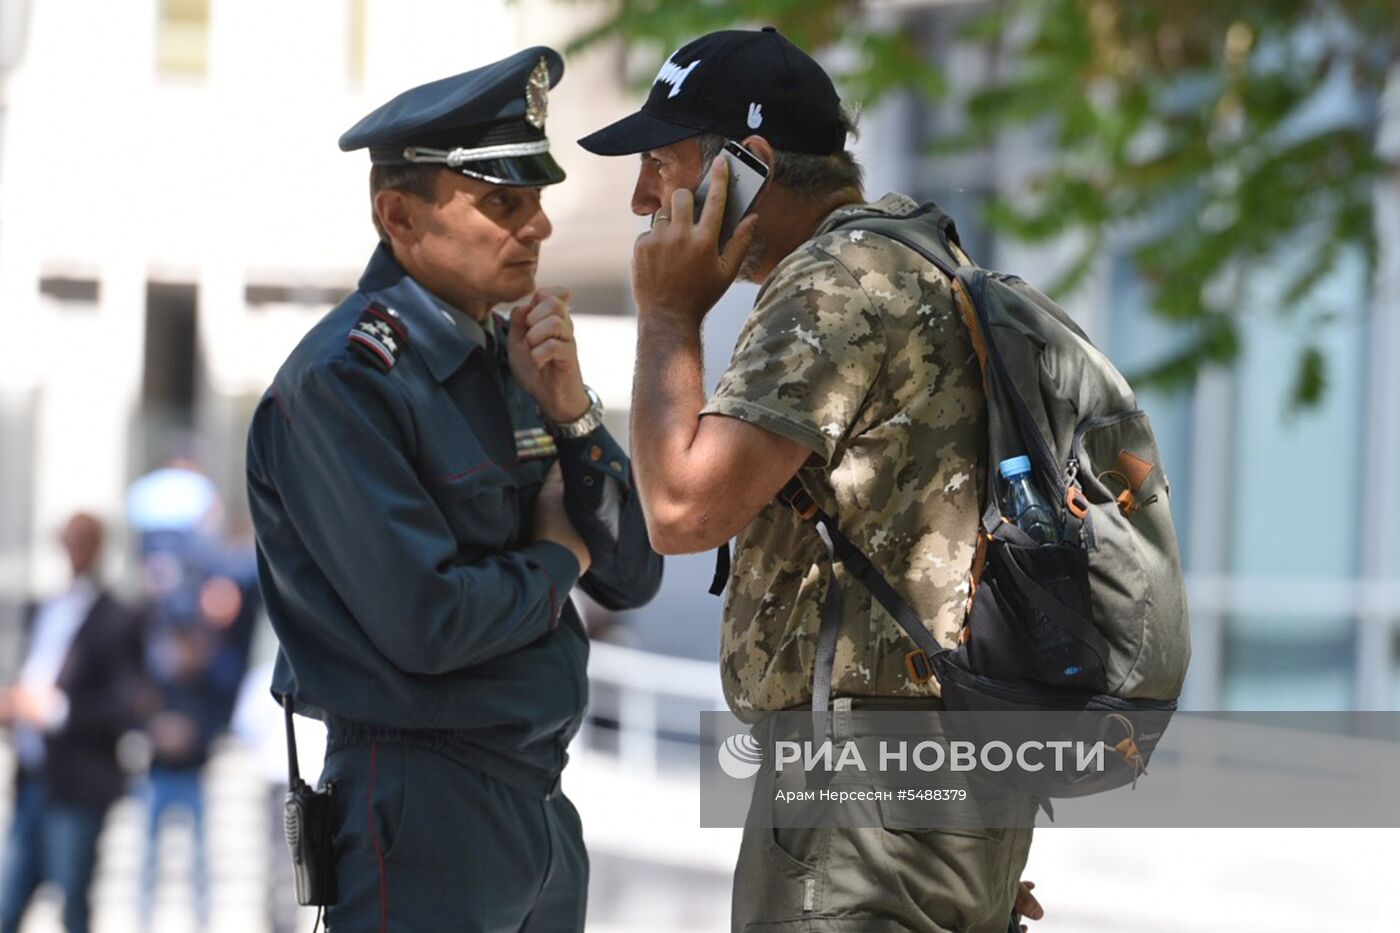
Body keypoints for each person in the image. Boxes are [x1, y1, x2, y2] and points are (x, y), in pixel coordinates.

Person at [579, 28, 1044, 933]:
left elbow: (678, 509)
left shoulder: (830, 285)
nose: (642, 197)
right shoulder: (934, 267)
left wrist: (669, 316)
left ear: (744, 167)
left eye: (662, 162)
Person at [246, 46, 663, 932]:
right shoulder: (344, 383)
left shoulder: (509, 355)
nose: (538, 227)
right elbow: (428, 620)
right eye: (503, 203)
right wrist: (557, 555)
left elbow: (632, 573)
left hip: (537, 796)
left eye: (539, 200)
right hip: (421, 806)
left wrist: (577, 415)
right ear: (398, 216)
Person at [0, 513, 146, 933]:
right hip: (32, 776)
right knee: (11, 900)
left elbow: (126, 702)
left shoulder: (117, 617)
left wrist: (52, 711)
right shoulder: (45, 607)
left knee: (73, 902)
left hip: (79, 781)